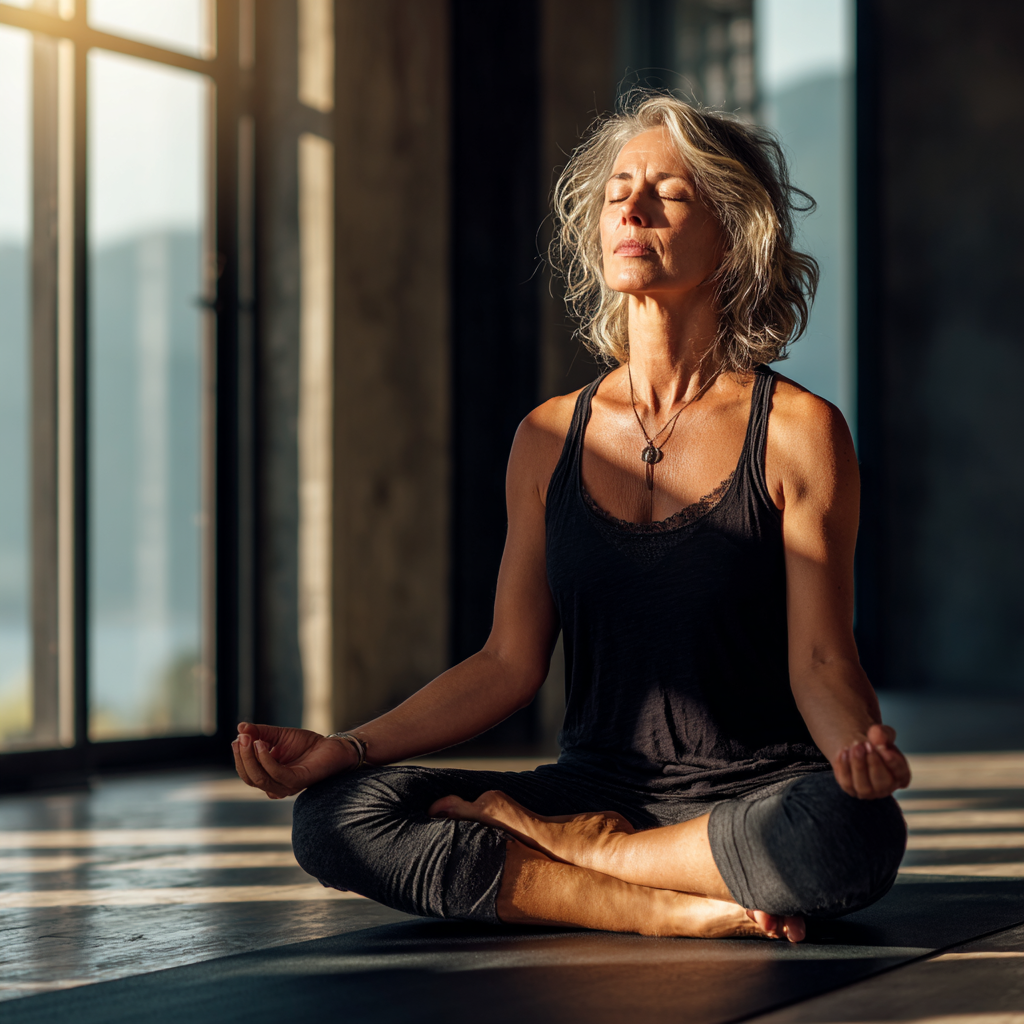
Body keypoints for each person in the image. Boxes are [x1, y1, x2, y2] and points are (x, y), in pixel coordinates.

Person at [232, 92, 910, 943]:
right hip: (597, 783)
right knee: (338, 816)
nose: (630, 206)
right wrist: (351, 748)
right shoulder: (548, 436)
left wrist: (858, 757)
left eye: (669, 191)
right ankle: (661, 908)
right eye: (618, 188)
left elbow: (819, 658)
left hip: (752, 799)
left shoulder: (799, 433)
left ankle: (590, 859)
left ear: (733, 235)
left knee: (851, 833)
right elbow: (507, 661)